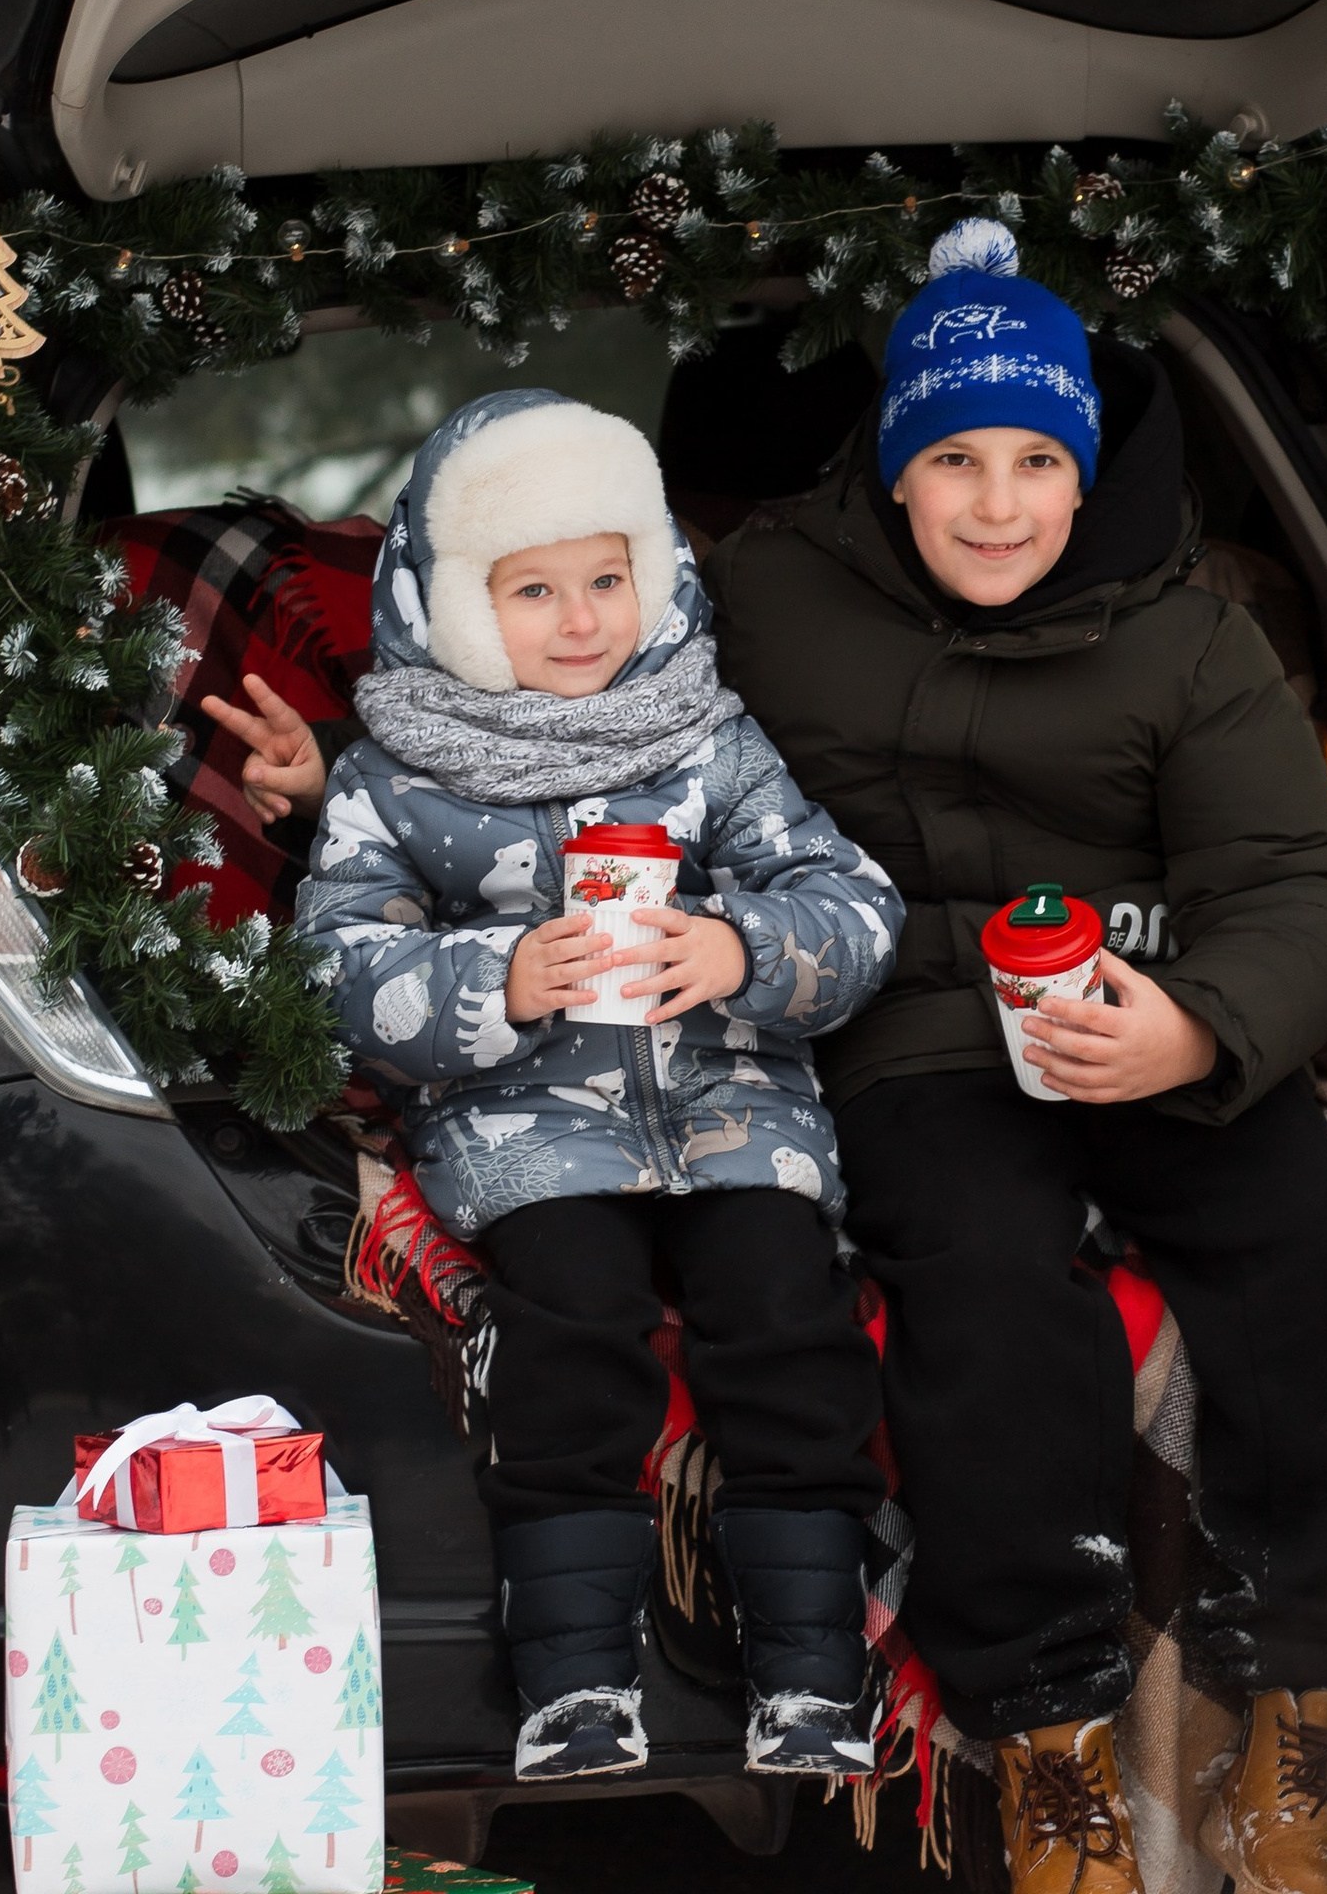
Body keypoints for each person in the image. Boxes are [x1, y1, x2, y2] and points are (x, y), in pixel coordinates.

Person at [705, 221, 1327, 1894]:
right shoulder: (769, 598)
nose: (997, 502)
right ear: (894, 469)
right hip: (913, 1036)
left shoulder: (1192, 635)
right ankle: (1056, 1740)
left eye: (1034, 461)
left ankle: (1308, 1706)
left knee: (1310, 1240)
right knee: (988, 1284)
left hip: (1148, 1015)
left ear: (1087, 476)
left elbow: (1300, 888)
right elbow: (581, 696)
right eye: (954, 459)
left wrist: (1197, 1028)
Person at [292, 389, 903, 1787]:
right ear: (455, 605)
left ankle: (810, 1668)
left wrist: (740, 945)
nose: (581, 620)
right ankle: (575, 1679)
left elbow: (854, 908)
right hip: (531, 1135)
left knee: (786, 1319)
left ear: (656, 572)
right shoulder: (397, 778)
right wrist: (501, 981)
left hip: (736, 1113)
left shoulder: (713, 741)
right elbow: (335, 966)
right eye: (533, 589)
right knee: (571, 1325)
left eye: (607, 578)